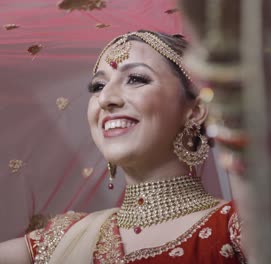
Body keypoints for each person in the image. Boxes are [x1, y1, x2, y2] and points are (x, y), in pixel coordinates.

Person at [0, 30, 245, 264]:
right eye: (98, 86)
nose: (106, 98)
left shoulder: (238, 228)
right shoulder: (63, 239)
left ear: (195, 111)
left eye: (136, 79)